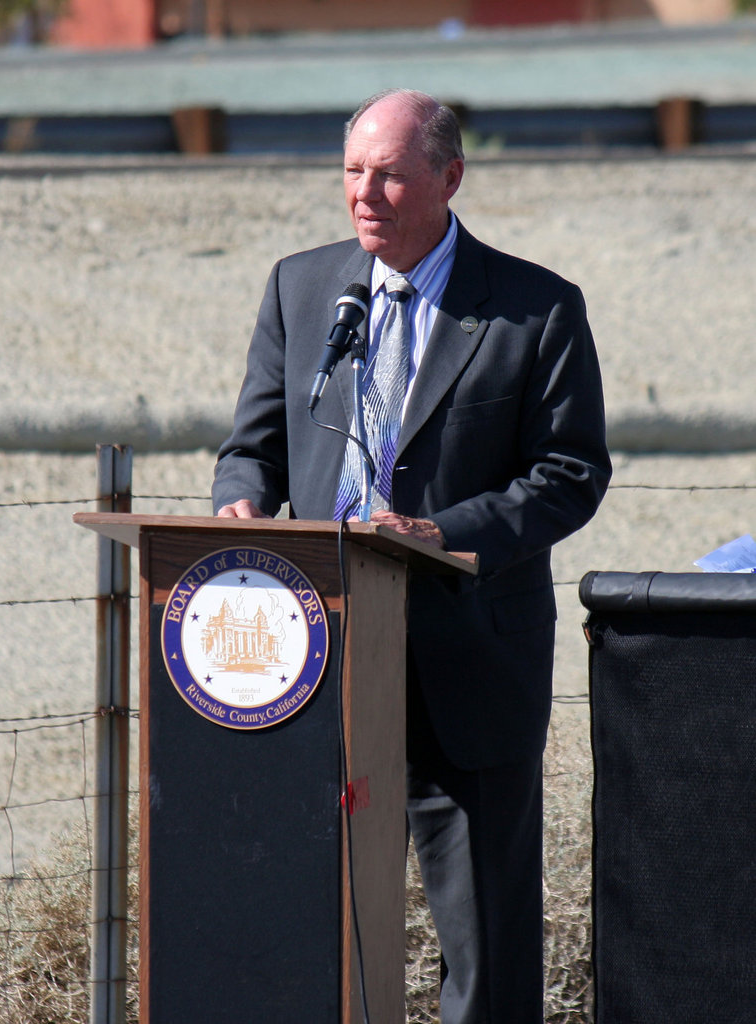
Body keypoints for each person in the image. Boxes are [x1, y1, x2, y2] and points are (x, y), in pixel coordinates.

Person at [212, 88, 611, 1023]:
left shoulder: (533, 309)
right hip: (315, 663)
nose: (365, 193)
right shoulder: (302, 288)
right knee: (319, 928)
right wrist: (237, 501)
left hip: (466, 670)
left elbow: (570, 474)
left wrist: (446, 534)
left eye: (389, 174)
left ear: (450, 177)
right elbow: (254, 444)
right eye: (353, 171)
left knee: (484, 945)